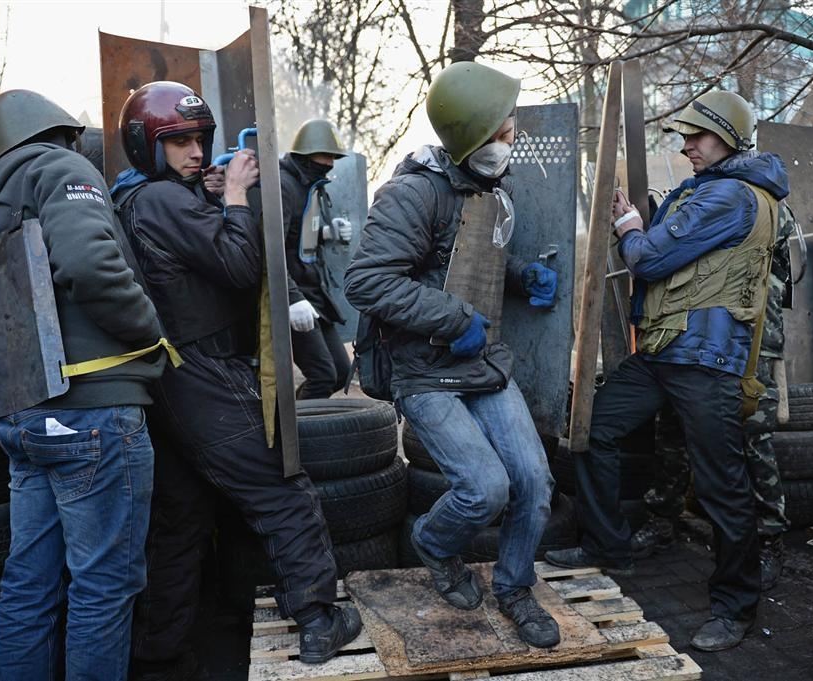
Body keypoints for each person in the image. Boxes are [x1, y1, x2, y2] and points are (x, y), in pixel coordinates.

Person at [109, 81, 361, 678]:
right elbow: (242, 264)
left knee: (182, 519)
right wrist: (241, 199)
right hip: (203, 375)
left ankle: (160, 649)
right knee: (284, 493)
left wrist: (216, 194)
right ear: (148, 145)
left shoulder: (144, 197)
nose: (195, 152)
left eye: (200, 140)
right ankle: (320, 622)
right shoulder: (160, 201)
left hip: (169, 379)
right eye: (179, 143)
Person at [546, 90, 789, 652]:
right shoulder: (708, 190)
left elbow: (651, 258)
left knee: (723, 486)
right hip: (665, 351)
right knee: (592, 430)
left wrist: (631, 224)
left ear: (728, 139)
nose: (686, 147)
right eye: (685, 137)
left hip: (706, 360)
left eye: (697, 137)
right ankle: (609, 545)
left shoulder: (730, 195)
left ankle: (734, 607)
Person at [344, 62, 561, 649]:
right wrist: (454, 317)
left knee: (534, 482)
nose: (510, 140)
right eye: (503, 131)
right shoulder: (412, 194)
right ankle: (436, 546)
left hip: (482, 364)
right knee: (485, 488)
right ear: (471, 134)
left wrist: (520, 276)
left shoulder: (489, 188)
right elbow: (366, 282)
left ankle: (515, 587)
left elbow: (464, 263)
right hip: (424, 372)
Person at [0, 90, 166, 681]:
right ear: (61, 132)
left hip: (30, 421)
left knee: (29, 584)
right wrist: (149, 332)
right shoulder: (62, 168)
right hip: (93, 414)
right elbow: (88, 263)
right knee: (104, 586)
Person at [629, 202, 799, 592]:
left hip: (751, 339)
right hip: (695, 337)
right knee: (673, 428)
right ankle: (663, 519)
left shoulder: (760, 201)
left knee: (752, 435)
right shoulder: (697, 195)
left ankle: (769, 538)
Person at [280, 119, 353, 399]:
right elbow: (269, 247)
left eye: (333, 156)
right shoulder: (284, 186)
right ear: (305, 153)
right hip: (294, 296)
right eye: (324, 154)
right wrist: (291, 298)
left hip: (314, 294)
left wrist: (325, 233)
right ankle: (294, 438)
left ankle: (298, 422)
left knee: (340, 372)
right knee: (322, 376)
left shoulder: (310, 185)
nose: (330, 162)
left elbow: (296, 235)